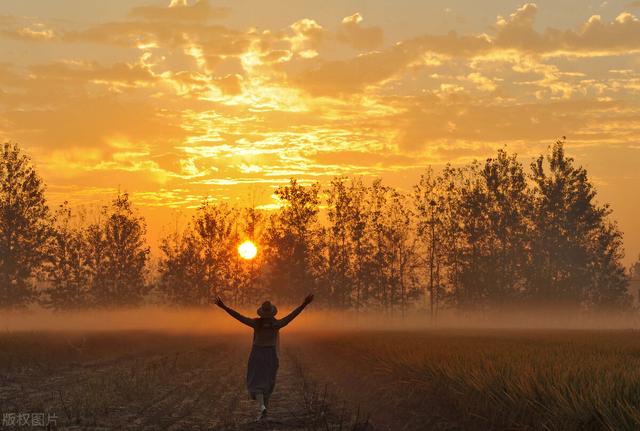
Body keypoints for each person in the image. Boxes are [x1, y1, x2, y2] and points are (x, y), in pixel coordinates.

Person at [214, 293, 314, 421]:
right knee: (268, 383)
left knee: (256, 383)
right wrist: (304, 304)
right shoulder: (277, 324)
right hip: (270, 355)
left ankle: (262, 408)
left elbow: (238, 317)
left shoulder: (256, 324)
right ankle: (264, 411)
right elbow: (292, 316)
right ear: (272, 312)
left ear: (261, 312)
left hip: (257, 354)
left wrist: (224, 307)